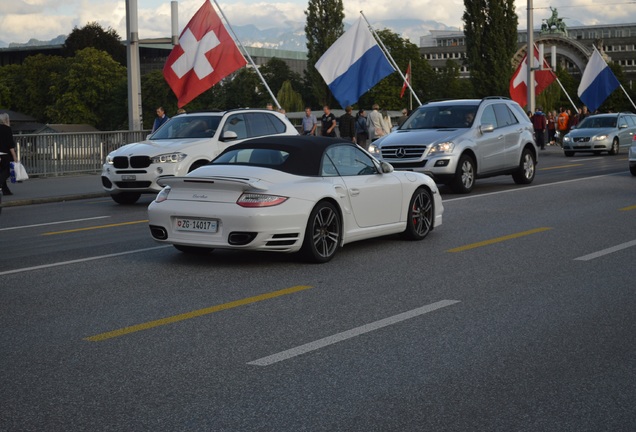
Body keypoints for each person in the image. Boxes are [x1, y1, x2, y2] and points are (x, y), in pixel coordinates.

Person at [0, 113, 19, 196]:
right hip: (4, 153)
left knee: (1, 171)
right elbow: (10, 144)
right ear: (6, 120)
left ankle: (5, 190)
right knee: (7, 171)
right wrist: (14, 156)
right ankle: (2, 187)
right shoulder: (7, 129)